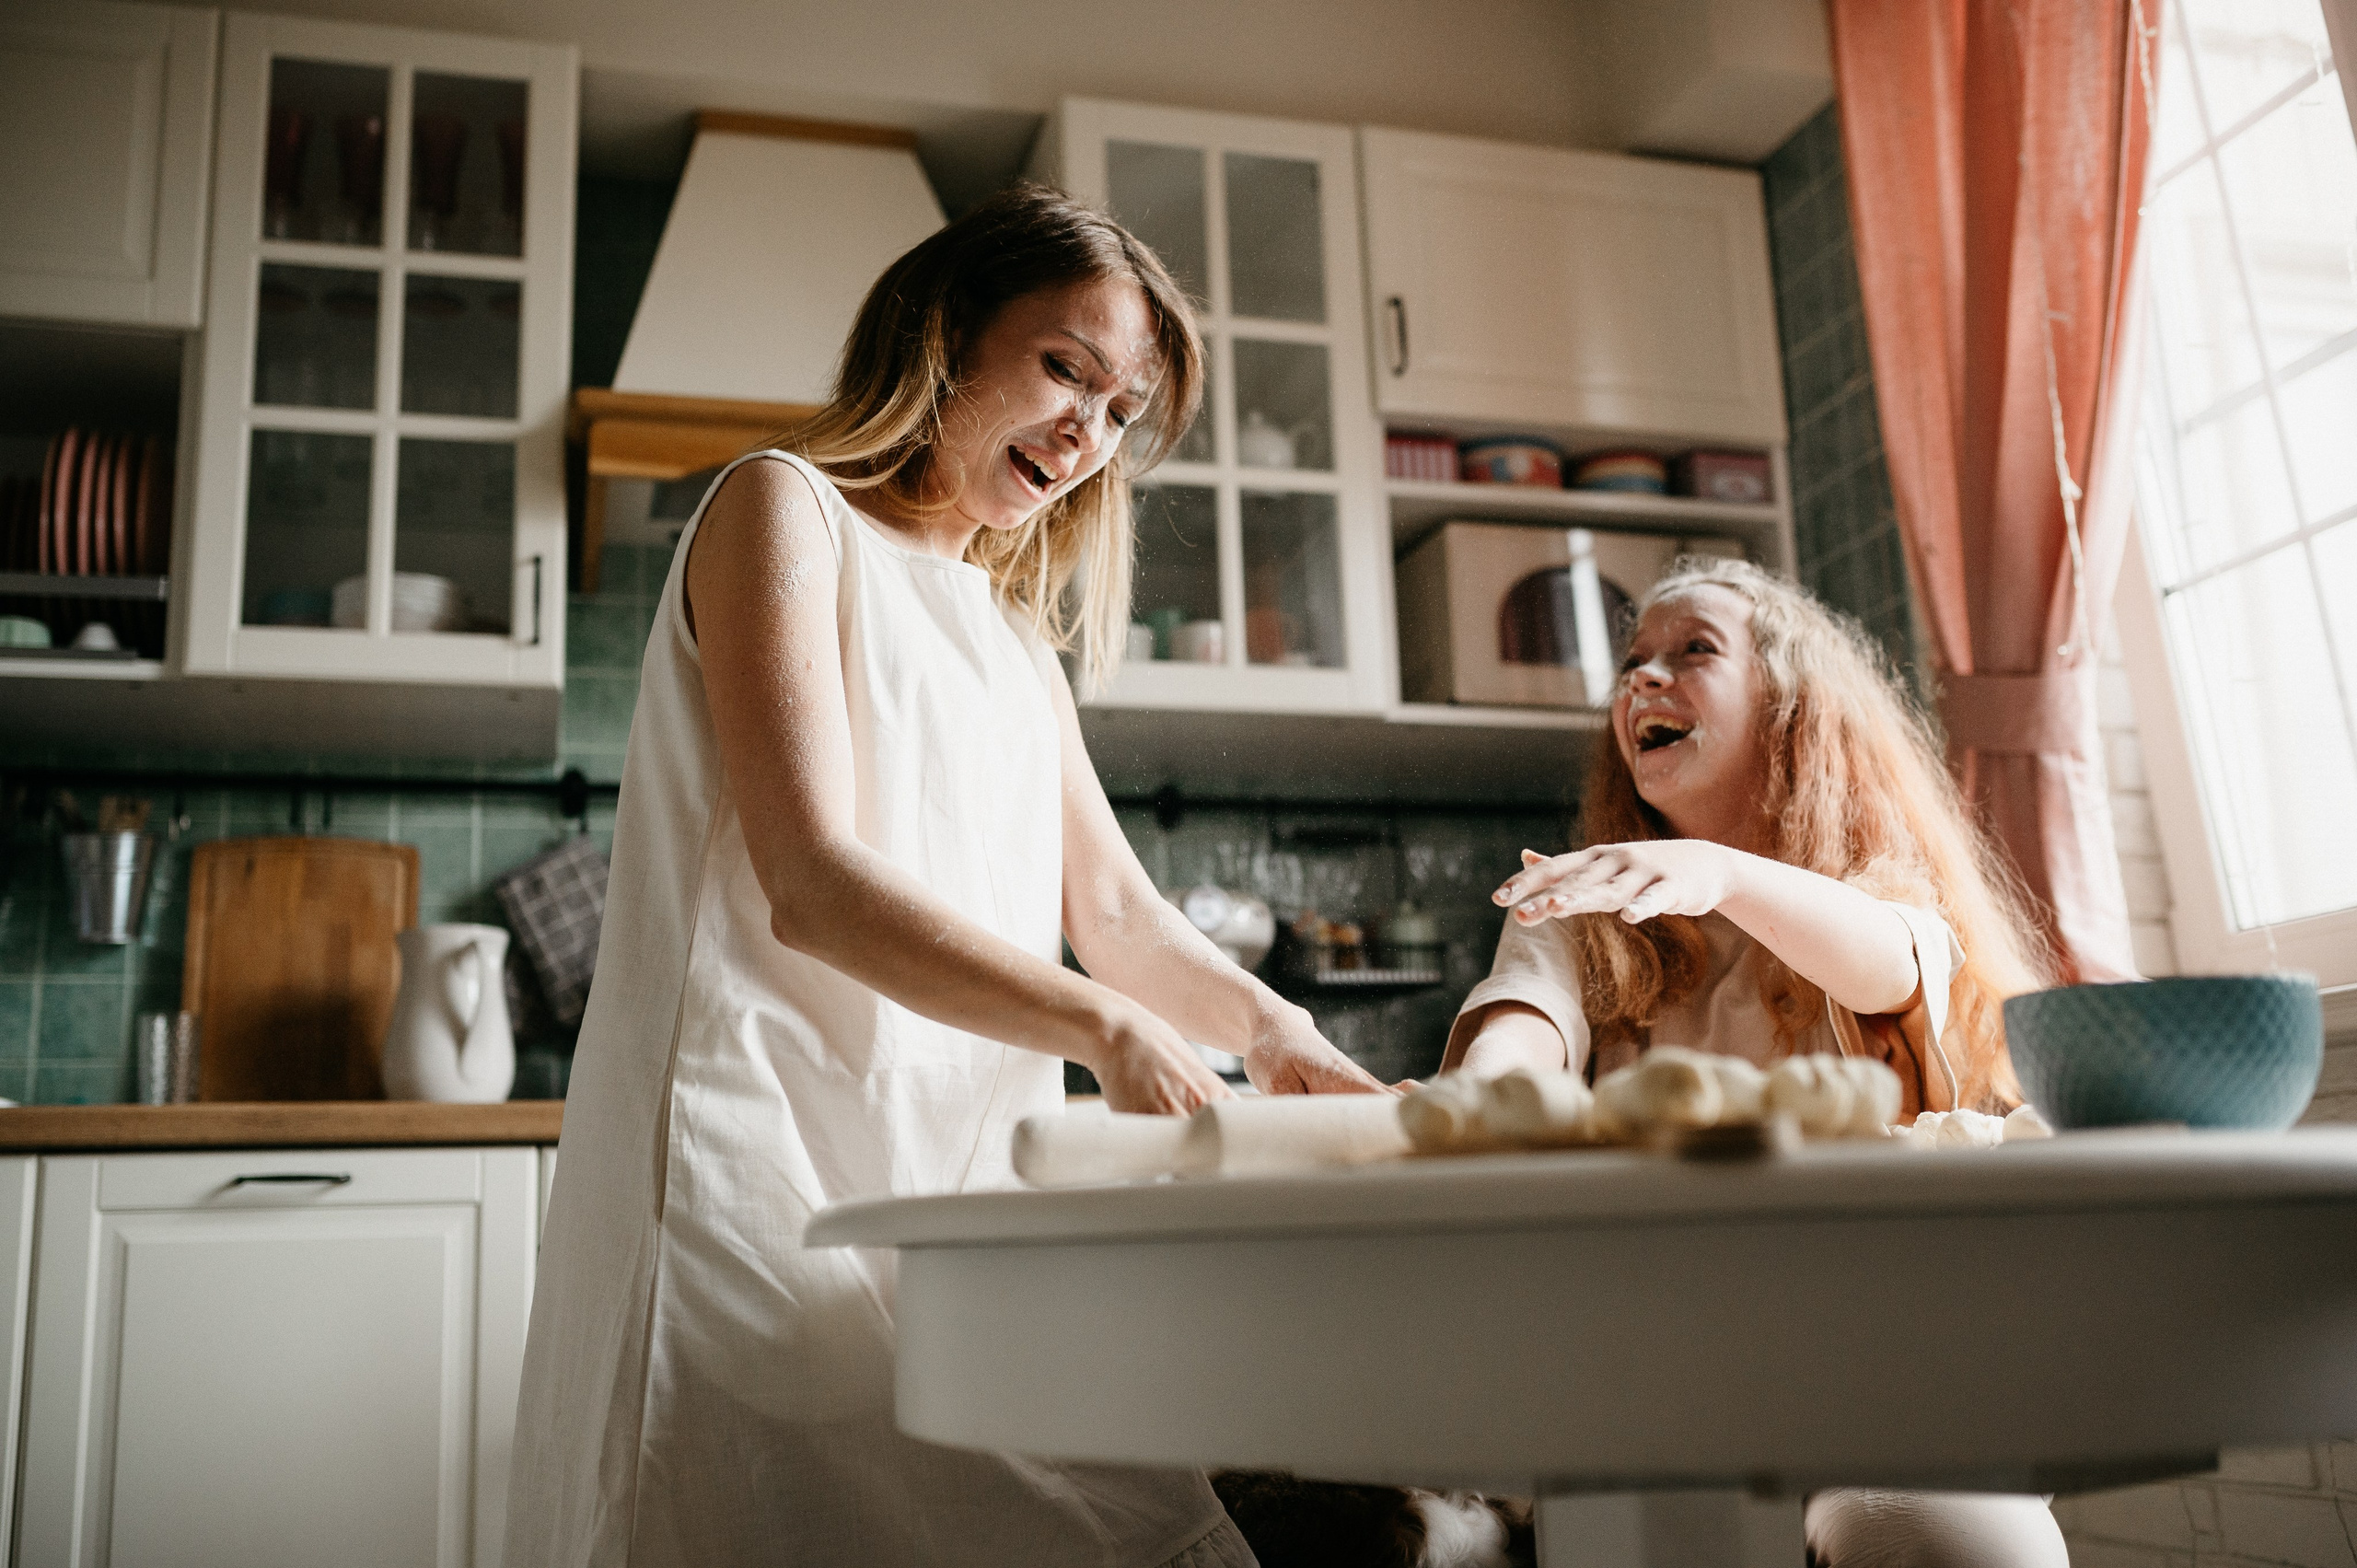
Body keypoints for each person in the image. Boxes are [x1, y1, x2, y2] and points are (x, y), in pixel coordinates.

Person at [505, 184, 1382, 1568]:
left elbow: (1114, 914)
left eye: (1119, 410)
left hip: (964, 1198)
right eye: (1065, 368)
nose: (1087, 431)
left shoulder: (1013, 638)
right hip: (755, 1178)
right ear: (944, 335)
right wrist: (1105, 1027)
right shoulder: (781, 511)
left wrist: (1279, 1031)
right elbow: (815, 881)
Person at [1448, 558, 2069, 1568]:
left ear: (1789, 701)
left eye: (1693, 650)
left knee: (1946, 1540)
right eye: (1631, 663)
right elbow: (1517, 1039)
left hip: (1884, 1366)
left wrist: (1723, 874)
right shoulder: (1580, 902)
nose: (1642, 680)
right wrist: (1473, 1105)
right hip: (1655, 1366)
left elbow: (1890, 964)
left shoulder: (1874, 890)